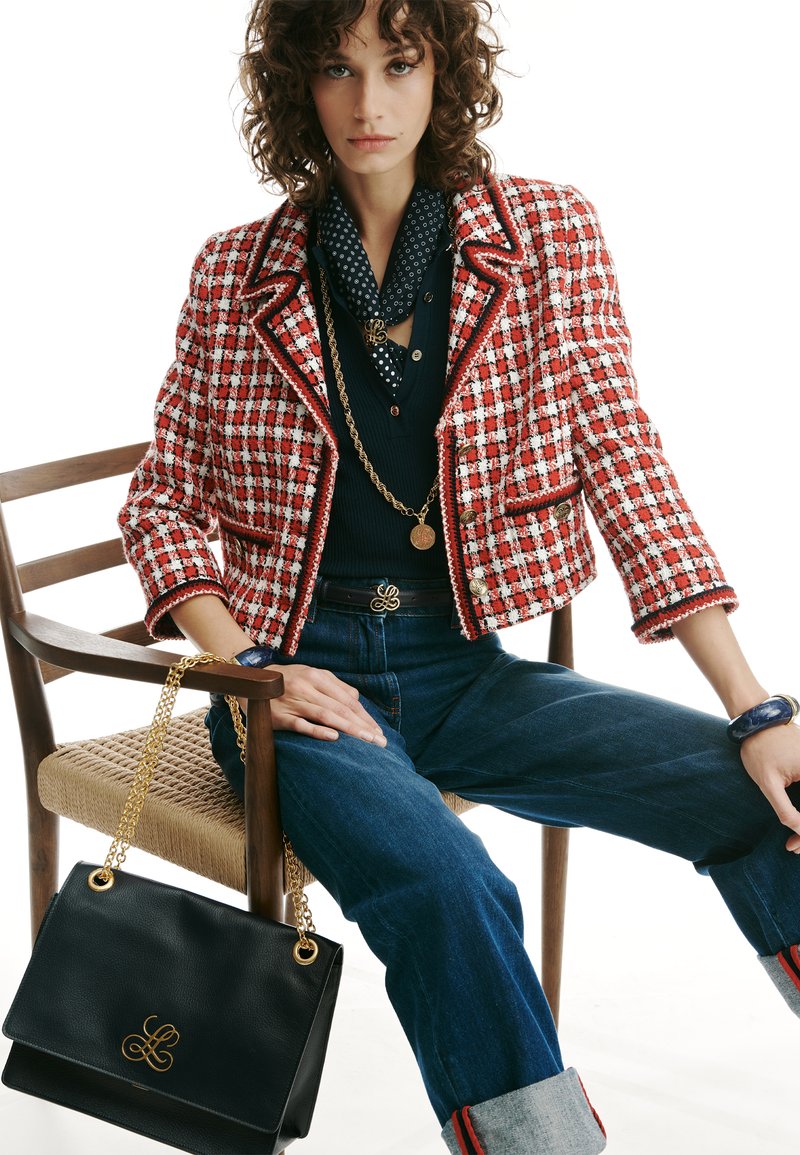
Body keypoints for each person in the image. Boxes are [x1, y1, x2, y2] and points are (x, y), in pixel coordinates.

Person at [118, 1, 800, 1151]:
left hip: (464, 671)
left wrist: (755, 709)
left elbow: (621, 459)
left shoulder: (544, 233)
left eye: (398, 63)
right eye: (336, 69)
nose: (368, 102)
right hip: (298, 682)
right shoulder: (240, 270)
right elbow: (163, 503)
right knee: (454, 887)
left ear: (446, 74)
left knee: (766, 802)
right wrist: (251, 673)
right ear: (296, 86)